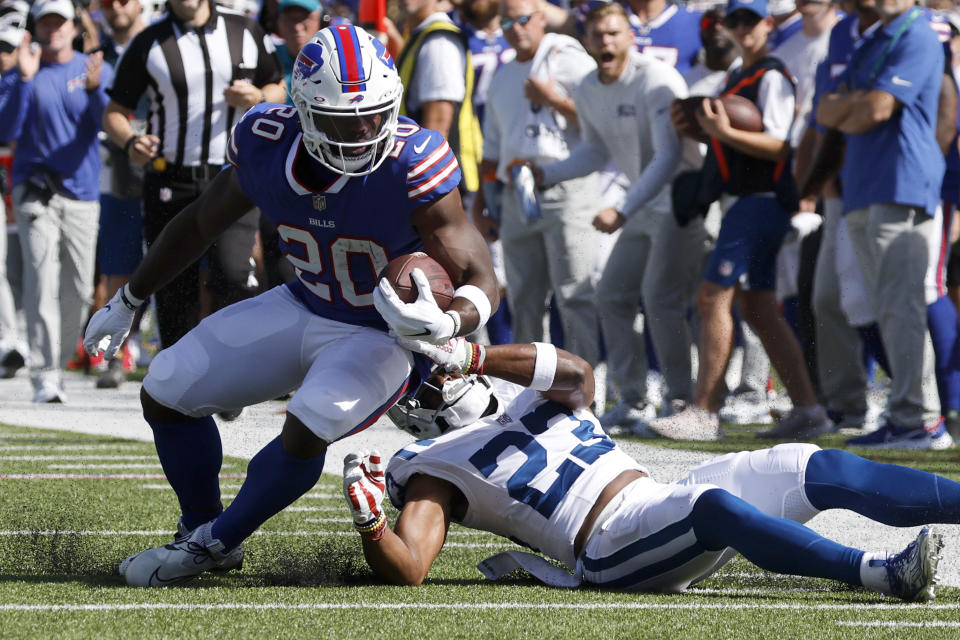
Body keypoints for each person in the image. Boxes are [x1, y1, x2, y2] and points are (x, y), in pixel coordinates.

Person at [84, 24, 499, 588]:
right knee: (166, 387)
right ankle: (201, 524)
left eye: (373, 116)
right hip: (305, 302)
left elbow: (479, 272)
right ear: (302, 110)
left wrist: (451, 321)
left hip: (380, 334)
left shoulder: (413, 157)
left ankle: (214, 543)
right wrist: (130, 298)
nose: (361, 133)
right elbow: (202, 222)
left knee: (309, 424)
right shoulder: (263, 138)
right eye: (341, 121)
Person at [341, 336, 949, 601]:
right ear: (410, 404)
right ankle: (878, 576)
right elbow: (412, 568)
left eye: (444, 361)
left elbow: (580, 374)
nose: (446, 375)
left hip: (657, 497)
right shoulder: (431, 468)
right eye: (431, 372)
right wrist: (373, 527)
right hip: (608, 546)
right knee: (712, 510)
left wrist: (475, 350)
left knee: (820, 465)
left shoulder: (524, 388)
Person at [648, 0, 829, 442]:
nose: (743, 27)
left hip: (760, 201)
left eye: (752, 19)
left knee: (713, 298)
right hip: (742, 199)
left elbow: (779, 146)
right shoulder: (735, 77)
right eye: (735, 19)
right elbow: (731, 141)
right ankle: (809, 409)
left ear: (769, 24)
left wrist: (723, 132)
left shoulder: (771, 75)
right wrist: (695, 126)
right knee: (759, 307)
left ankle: (704, 411)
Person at [529, 2, 698, 432]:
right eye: (598, 34)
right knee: (611, 297)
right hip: (644, 203)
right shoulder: (587, 87)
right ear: (586, 39)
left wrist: (622, 208)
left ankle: (682, 402)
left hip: (683, 201)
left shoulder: (657, 79)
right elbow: (596, 151)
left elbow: (669, 156)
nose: (606, 41)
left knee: (660, 299)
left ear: (630, 37)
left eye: (614, 33)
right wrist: (547, 173)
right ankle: (633, 400)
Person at [102, 0, 285, 354]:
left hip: (232, 177)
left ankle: (229, 370)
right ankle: (176, 381)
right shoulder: (149, 42)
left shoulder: (244, 30)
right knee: (172, 286)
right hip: (171, 180)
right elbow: (114, 112)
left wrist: (259, 96)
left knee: (234, 276)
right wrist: (131, 142)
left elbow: (278, 85)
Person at [817, 0, 952, 448]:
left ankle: (921, 419)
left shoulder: (917, 33)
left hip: (903, 182)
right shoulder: (875, 37)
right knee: (888, 308)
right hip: (864, 183)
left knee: (902, 306)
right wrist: (857, 106)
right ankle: (908, 413)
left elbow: (873, 109)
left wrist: (856, 106)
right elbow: (825, 110)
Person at [0, 0, 112, 403]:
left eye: (60, 22)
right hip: (34, 191)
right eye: (46, 22)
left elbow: (108, 124)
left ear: (72, 27)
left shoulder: (92, 69)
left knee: (80, 289)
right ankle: (45, 373)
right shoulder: (18, 72)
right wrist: (25, 81)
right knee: (41, 278)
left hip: (82, 192)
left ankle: (58, 361)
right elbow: (7, 129)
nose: (54, 29)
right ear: (37, 28)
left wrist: (97, 91)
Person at [480, 0, 600, 367]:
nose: (516, 28)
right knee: (524, 297)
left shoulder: (569, 58)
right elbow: (492, 150)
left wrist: (555, 101)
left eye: (523, 19)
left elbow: (604, 123)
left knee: (574, 294)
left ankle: (587, 387)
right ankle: (531, 390)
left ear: (542, 19)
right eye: (507, 22)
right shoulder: (501, 77)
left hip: (566, 186)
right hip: (517, 193)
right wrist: (483, 203)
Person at [92, 0, 148, 390]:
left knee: (185, 260)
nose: (116, 8)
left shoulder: (159, 42)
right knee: (119, 263)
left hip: (168, 163)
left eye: (123, 1)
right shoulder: (94, 54)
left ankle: (186, 350)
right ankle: (115, 353)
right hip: (118, 166)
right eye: (108, 2)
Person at [397, 0, 482, 192]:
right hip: (433, 178)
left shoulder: (439, 42)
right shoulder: (421, 34)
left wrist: (421, 189)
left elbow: (438, 125)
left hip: (440, 181)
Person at [273, 0, 327, 106]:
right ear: (278, 23)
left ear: (321, 22)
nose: (297, 27)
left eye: (305, 18)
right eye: (290, 20)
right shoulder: (267, 56)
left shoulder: (335, 60)